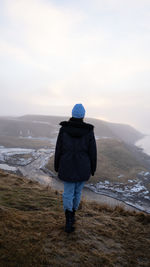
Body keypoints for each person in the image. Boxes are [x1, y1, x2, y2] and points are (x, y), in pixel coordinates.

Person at [54, 104, 97, 233]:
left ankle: (68, 219)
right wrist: (93, 168)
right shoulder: (89, 131)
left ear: (72, 114)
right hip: (83, 166)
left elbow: (59, 149)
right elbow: (92, 152)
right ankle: (73, 216)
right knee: (77, 193)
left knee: (68, 193)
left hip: (67, 165)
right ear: (83, 115)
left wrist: (56, 165)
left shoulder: (64, 129)